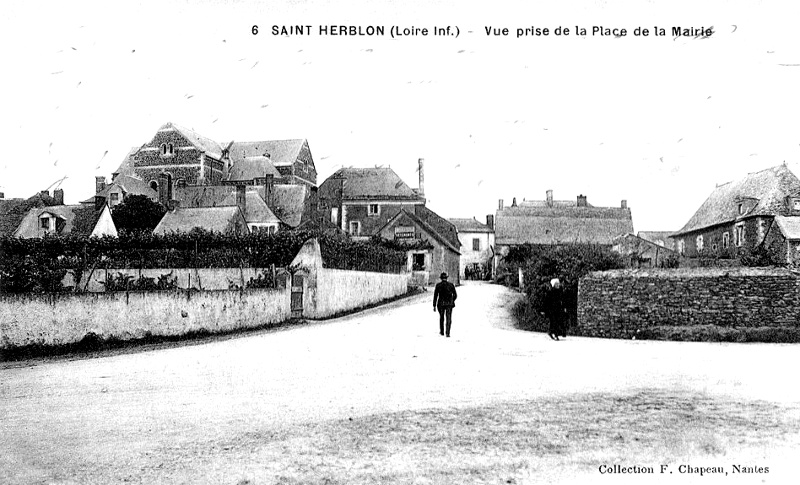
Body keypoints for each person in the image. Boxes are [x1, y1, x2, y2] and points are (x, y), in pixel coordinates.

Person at [433, 272, 458, 337]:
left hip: (441, 304)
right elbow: (455, 295)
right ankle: (448, 333)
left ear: (441, 278)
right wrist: (452, 300)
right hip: (449, 304)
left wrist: (434, 305)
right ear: (446, 278)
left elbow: (435, 296)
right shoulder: (451, 285)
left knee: (441, 317)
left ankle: (442, 331)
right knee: (448, 318)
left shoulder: (438, 285)